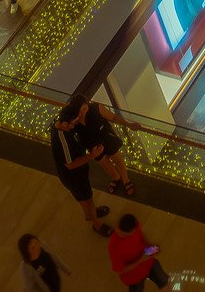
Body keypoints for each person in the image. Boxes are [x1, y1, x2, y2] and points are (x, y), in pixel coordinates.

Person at [51, 100, 111, 233]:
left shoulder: (61, 125)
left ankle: (91, 214)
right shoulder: (62, 140)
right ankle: (96, 224)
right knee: (86, 198)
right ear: (64, 123)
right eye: (72, 123)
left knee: (86, 197)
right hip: (73, 176)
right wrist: (92, 155)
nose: (73, 126)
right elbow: (70, 165)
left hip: (77, 173)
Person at [108, 213, 170, 290]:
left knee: (164, 282)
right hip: (134, 277)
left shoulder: (134, 225)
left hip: (149, 263)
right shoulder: (114, 247)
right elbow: (120, 271)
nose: (137, 229)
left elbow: (144, 240)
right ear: (129, 232)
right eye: (134, 230)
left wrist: (154, 248)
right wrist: (141, 260)